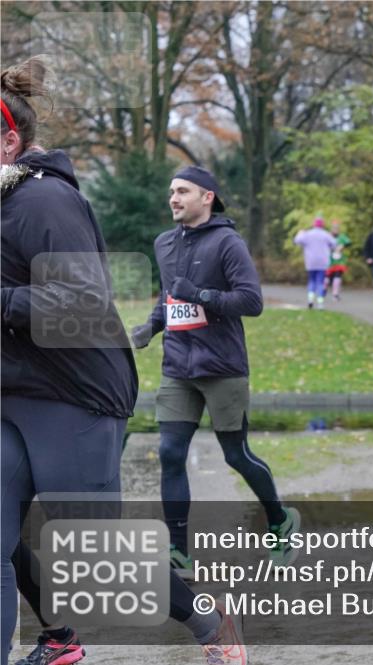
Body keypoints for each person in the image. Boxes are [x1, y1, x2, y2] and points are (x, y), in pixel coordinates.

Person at [1, 58, 246, 665]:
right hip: (10, 392)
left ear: (9, 139)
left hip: (75, 395)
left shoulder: (43, 202)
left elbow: (81, 301)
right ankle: (58, 640)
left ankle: (208, 621)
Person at [131, 164, 301, 581]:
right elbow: (170, 297)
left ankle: (280, 520)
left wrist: (202, 296)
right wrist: (151, 327)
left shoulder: (228, 242)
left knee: (235, 455)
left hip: (222, 366)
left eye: (183, 191)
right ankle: (177, 551)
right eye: (172, 191)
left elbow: (251, 301)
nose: (174, 198)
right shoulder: (164, 243)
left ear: (207, 197)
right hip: (178, 366)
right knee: (170, 453)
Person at [293, 217, 336, 309]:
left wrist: (300, 233)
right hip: (322, 262)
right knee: (320, 282)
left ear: (314, 224)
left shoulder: (308, 234)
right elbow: (334, 243)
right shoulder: (325, 234)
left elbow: (297, 240)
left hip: (310, 262)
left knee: (311, 280)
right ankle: (320, 303)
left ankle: (310, 300)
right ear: (322, 225)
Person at [323, 219, 351, 302]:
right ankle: (323, 290)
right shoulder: (327, 236)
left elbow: (348, 242)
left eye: (337, 228)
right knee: (327, 277)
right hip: (329, 260)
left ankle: (335, 294)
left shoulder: (341, 237)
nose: (335, 230)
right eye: (334, 228)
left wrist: (342, 246)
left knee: (337, 276)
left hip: (339, 261)